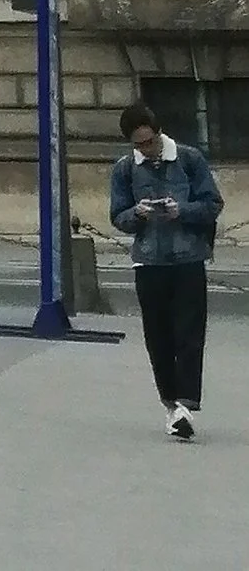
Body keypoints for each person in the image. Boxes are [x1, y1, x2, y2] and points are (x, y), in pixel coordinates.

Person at [111, 99, 223, 435]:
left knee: (189, 336)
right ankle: (171, 405)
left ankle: (186, 406)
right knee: (158, 339)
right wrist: (137, 214)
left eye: (151, 141)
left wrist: (183, 211)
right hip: (149, 262)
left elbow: (212, 203)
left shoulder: (189, 159)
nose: (148, 149)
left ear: (159, 132)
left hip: (188, 258)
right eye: (140, 144)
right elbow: (118, 215)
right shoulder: (125, 169)